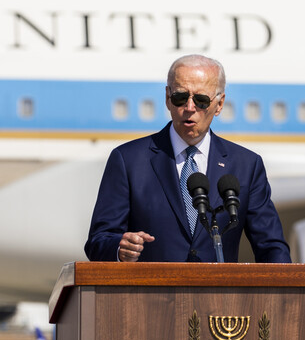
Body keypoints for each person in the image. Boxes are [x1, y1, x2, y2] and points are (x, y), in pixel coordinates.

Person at [84, 54, 291, 263]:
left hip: (219, 295)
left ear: (219, 104)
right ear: (167, 98)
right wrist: (120, 249)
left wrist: (287, 290)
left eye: (201, 101)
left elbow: (272, 247)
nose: (189, 108)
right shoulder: (128, 161)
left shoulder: (246, 165)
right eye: (180, 97)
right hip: (151, 294)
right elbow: (98, 241)